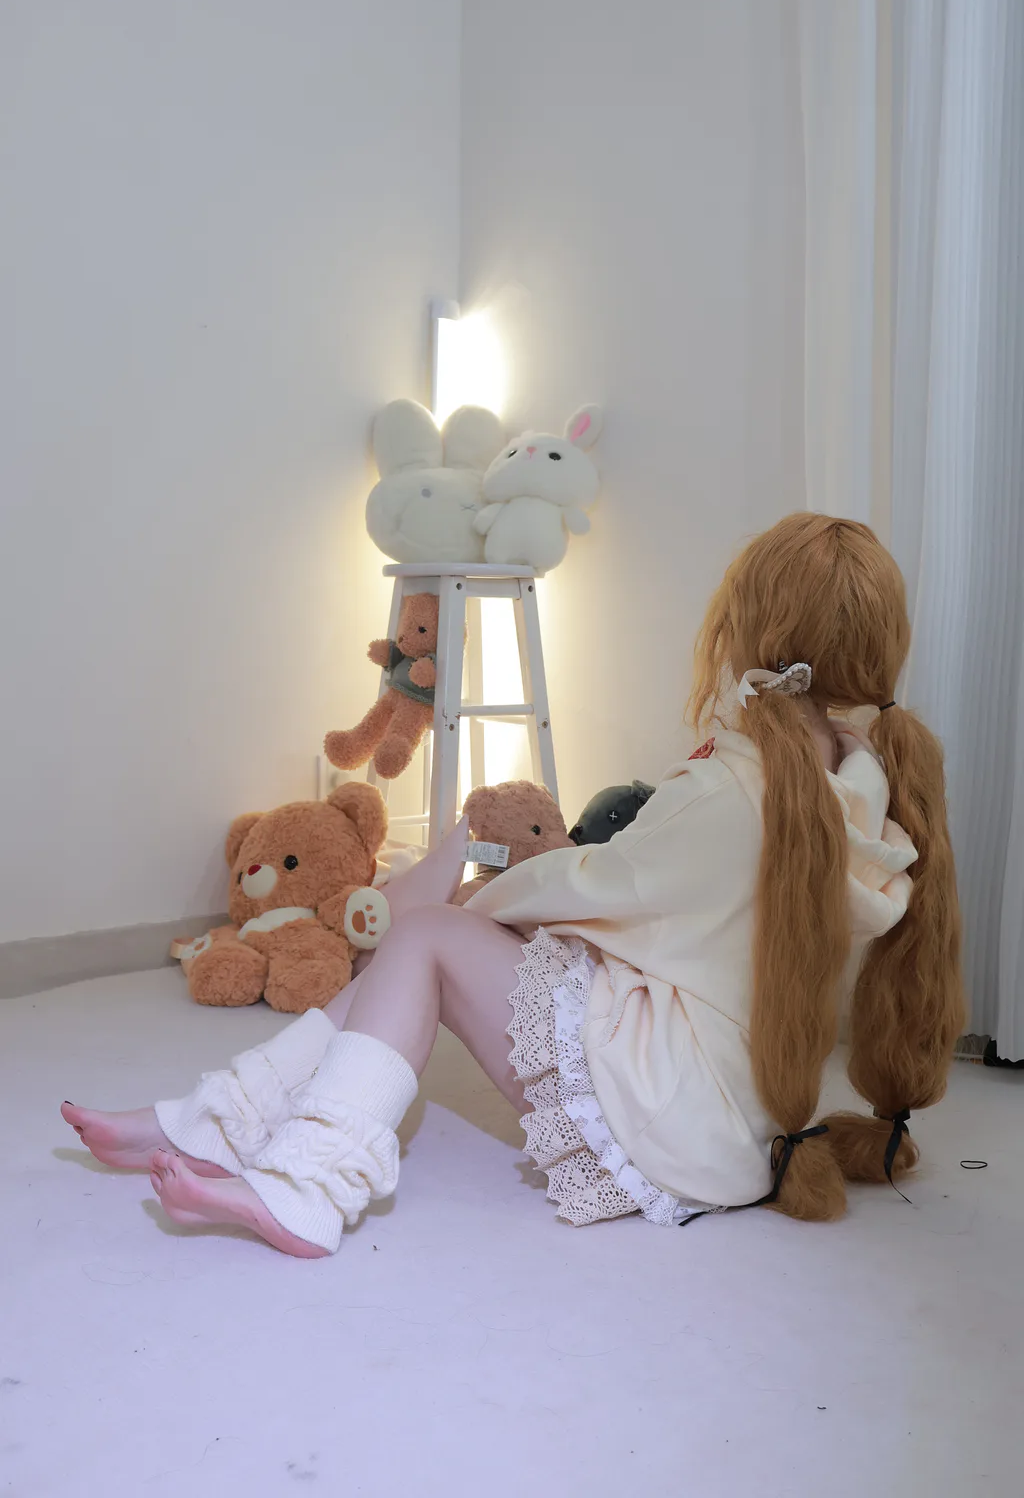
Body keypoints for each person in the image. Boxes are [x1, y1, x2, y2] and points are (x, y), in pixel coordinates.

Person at [62, 514, 964, 1258]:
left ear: (753, 632)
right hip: (733, 1116)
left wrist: (475, 890)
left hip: (676, 1119)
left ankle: (307, 1184)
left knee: (424, 938)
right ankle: (213, 1122)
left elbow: (598, 883)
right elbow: (651, 899)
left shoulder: (739, 789)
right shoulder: (861, 790)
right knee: (433, 942)